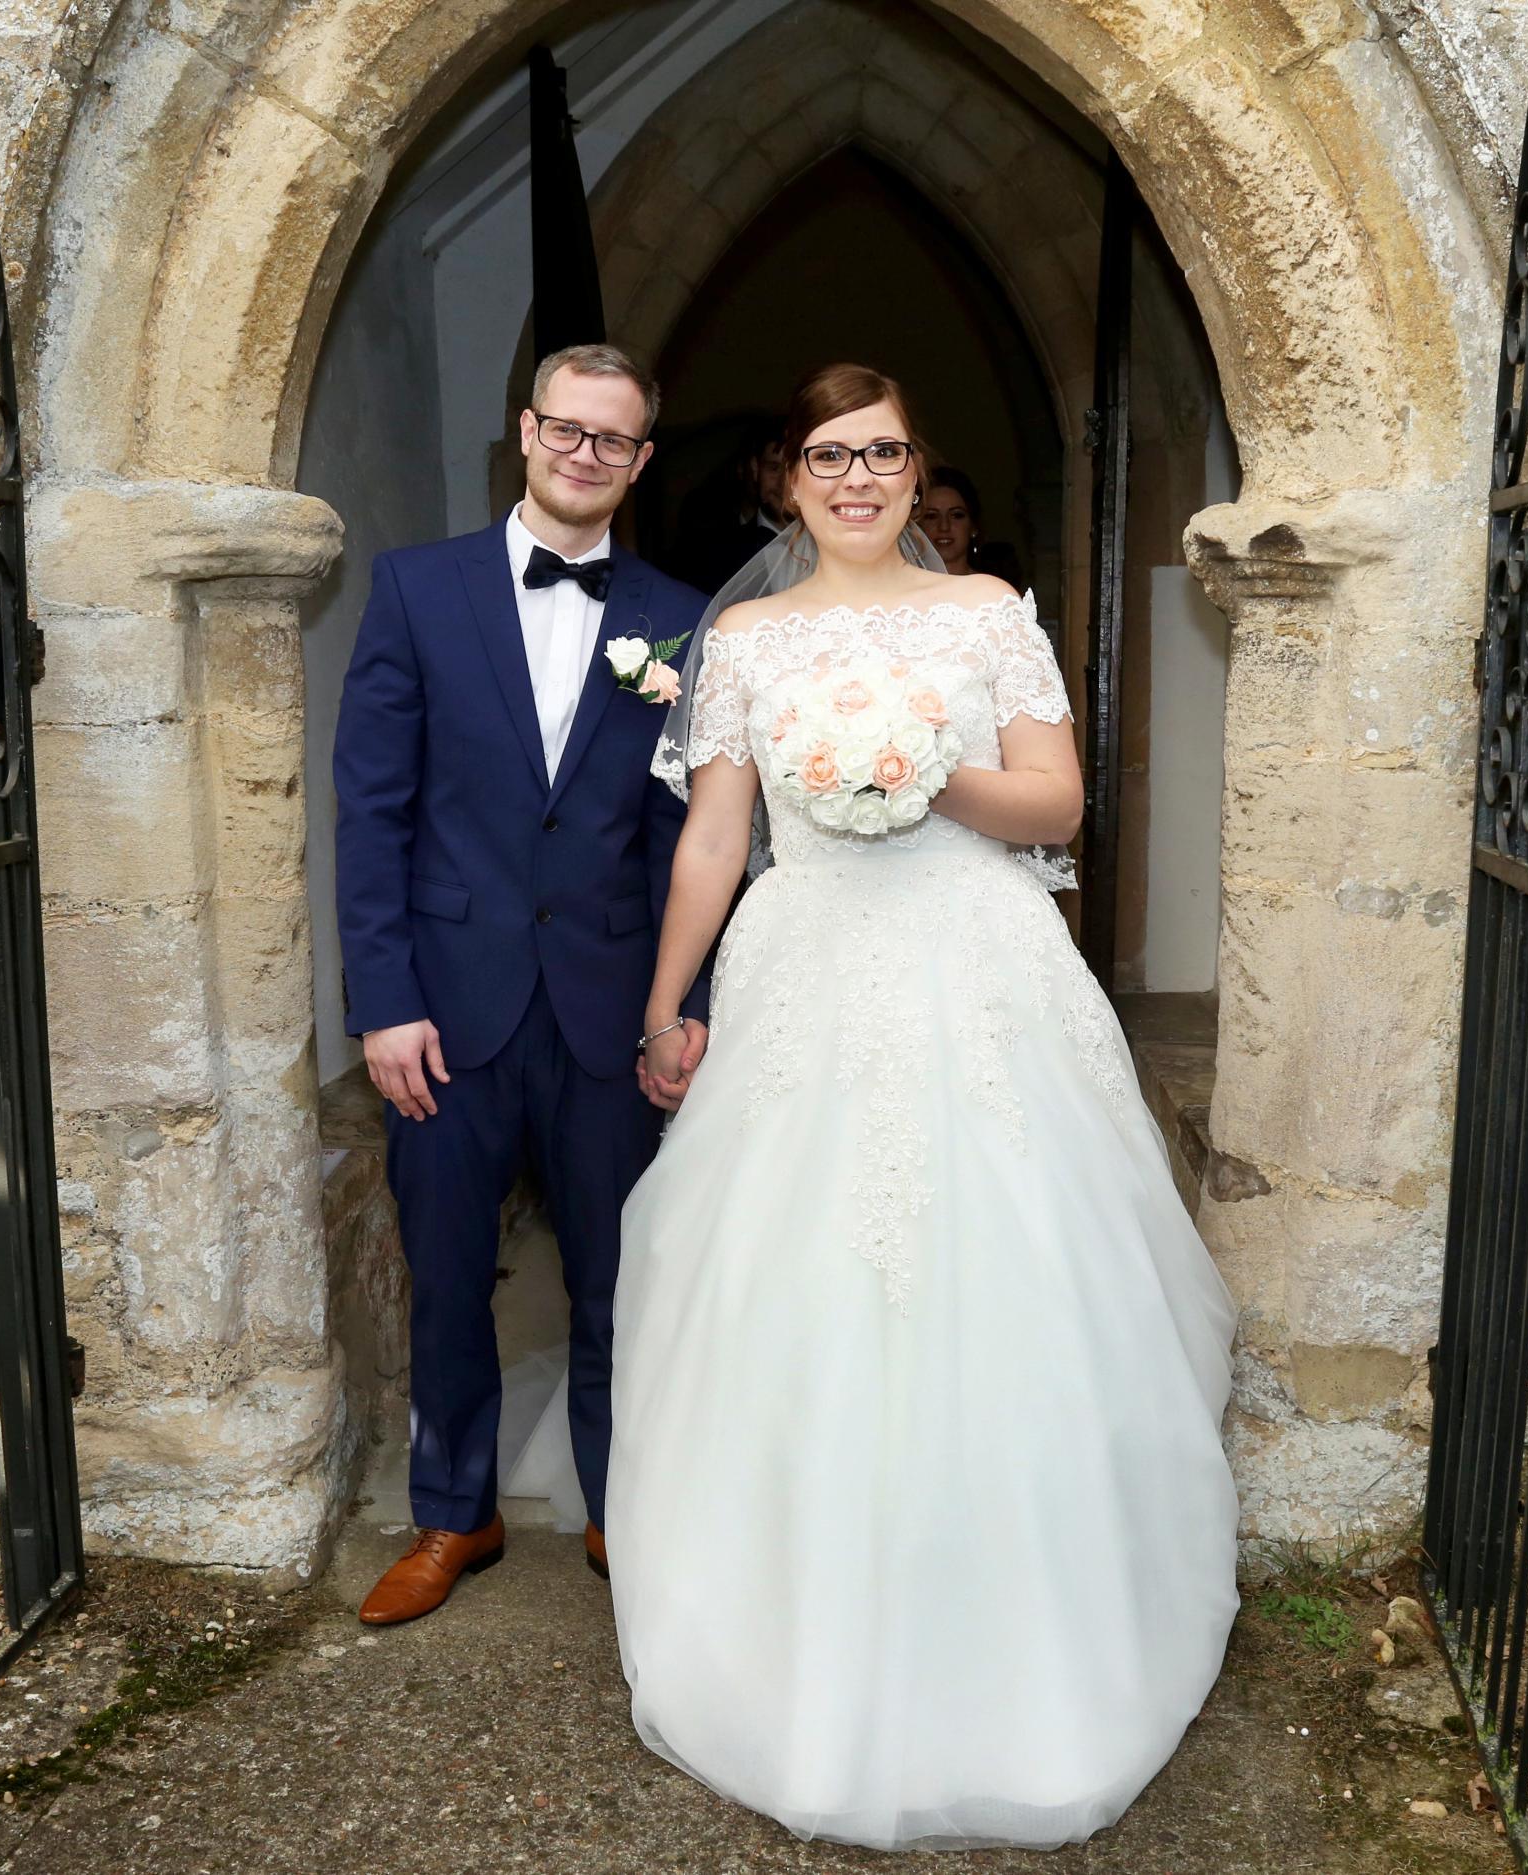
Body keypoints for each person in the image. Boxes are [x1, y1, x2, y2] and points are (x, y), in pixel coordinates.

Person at [606, 363, 1240, 1849]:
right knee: (801, 1283)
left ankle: (1029, 1621)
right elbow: (713, 837)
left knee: (1006, 1266)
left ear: (913, 466)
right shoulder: (742, 637)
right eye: (830, 453)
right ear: (787, 475)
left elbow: (1057, 802)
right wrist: (665, 1003)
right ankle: (795, 1627)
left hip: (979, 965)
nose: (858, 476)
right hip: (805, 964)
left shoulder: (990, 616)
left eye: (884, 450)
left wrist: (921, 772)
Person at [332, 342, 710, 1625]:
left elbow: (688, 840)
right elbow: (369, 812)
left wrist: (677, 1006)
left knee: (621, 1276)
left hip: (609, 1009)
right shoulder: (415, 590)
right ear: (525, 431)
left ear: (640, 458)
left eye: (614, 438)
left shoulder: (682, 614)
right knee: (446, 1273)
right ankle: (454, 1515)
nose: (585, 453)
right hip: (443, 1007)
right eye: (567, 429)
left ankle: (621, 1512)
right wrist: (381, 1000)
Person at [672, 418, 789, 593]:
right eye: (773, 468)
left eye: (793, 469)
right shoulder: (714, 555)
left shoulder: (832, 545)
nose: (784, 483)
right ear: (755, 469)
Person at [919, 463, 1029, 593]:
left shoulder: (994, 593)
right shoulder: (899, 591)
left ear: (973, 527)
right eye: (931, 516)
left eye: (956, 515)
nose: (944, 526)